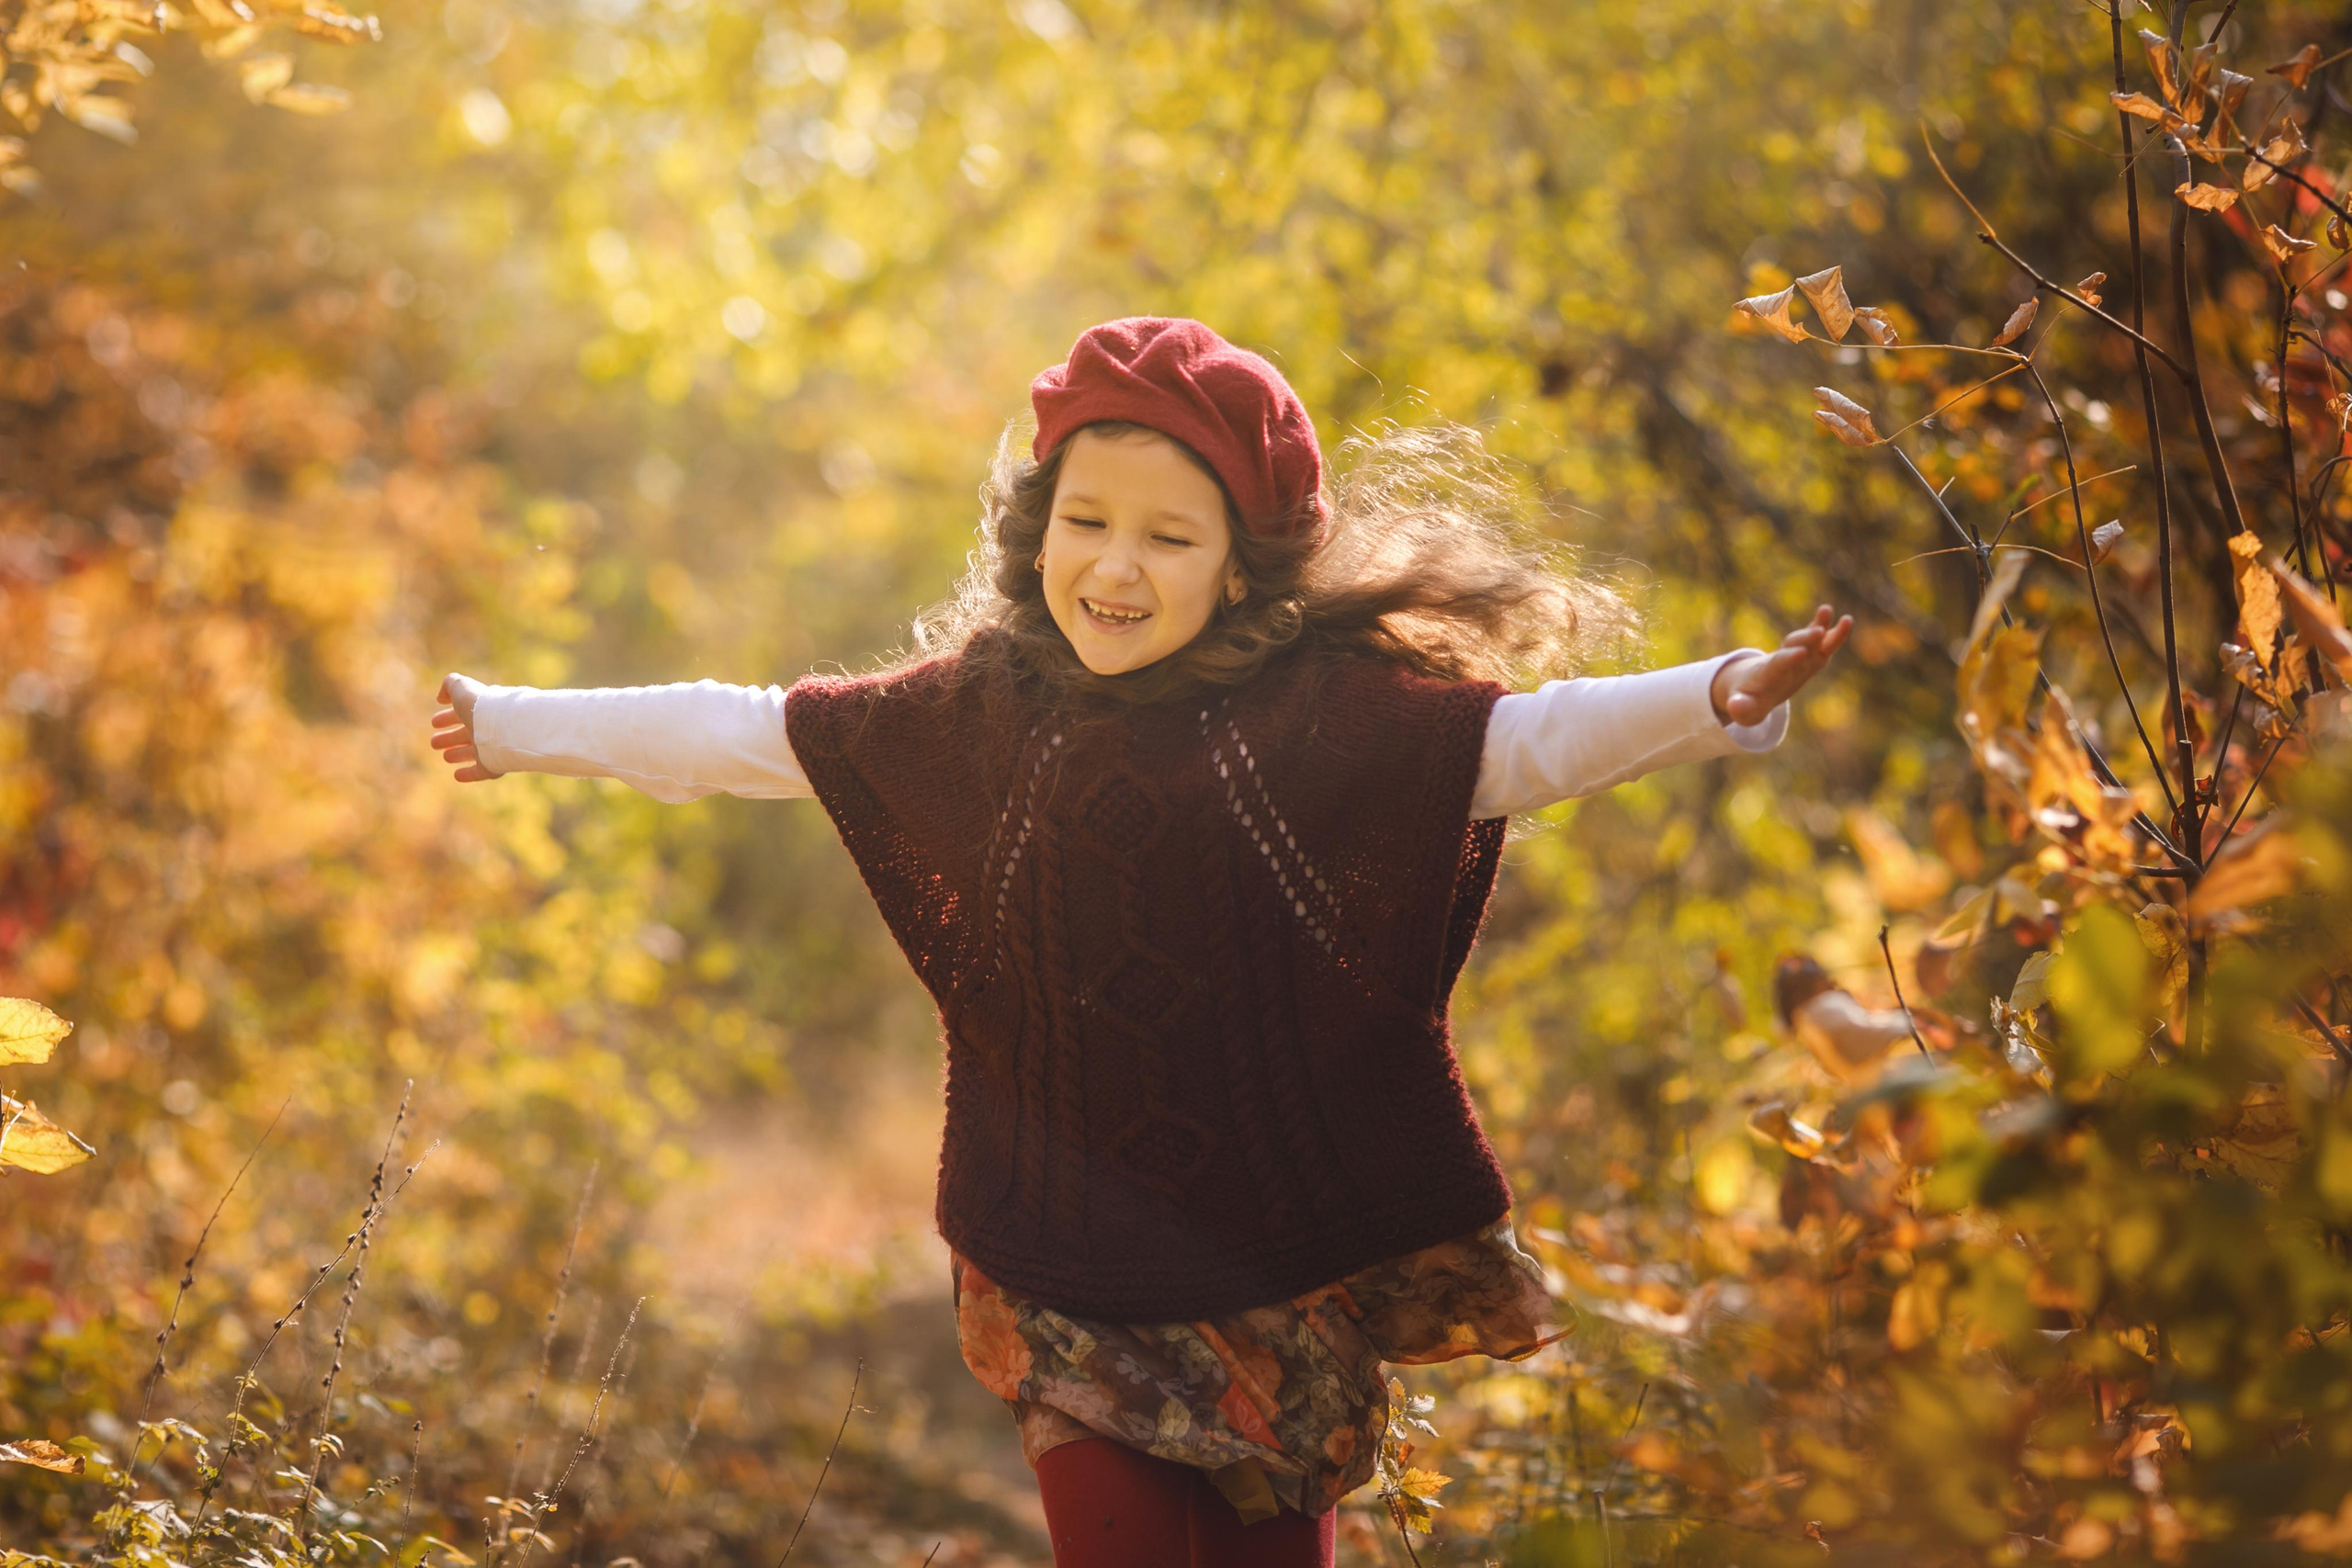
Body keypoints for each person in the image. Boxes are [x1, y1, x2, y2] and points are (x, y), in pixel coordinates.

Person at [430, 318, 1849, 1566]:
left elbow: (1529, 745)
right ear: (1035, 529)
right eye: (1085, 522)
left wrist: (1723, 692)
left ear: (1241, 569)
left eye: (1169, 537)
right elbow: (736, 731)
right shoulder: (969, 723)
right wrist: (512, 725)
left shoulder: (1325, 727)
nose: (1115, 566)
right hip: (1058, 1261)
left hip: (1275, 1270)